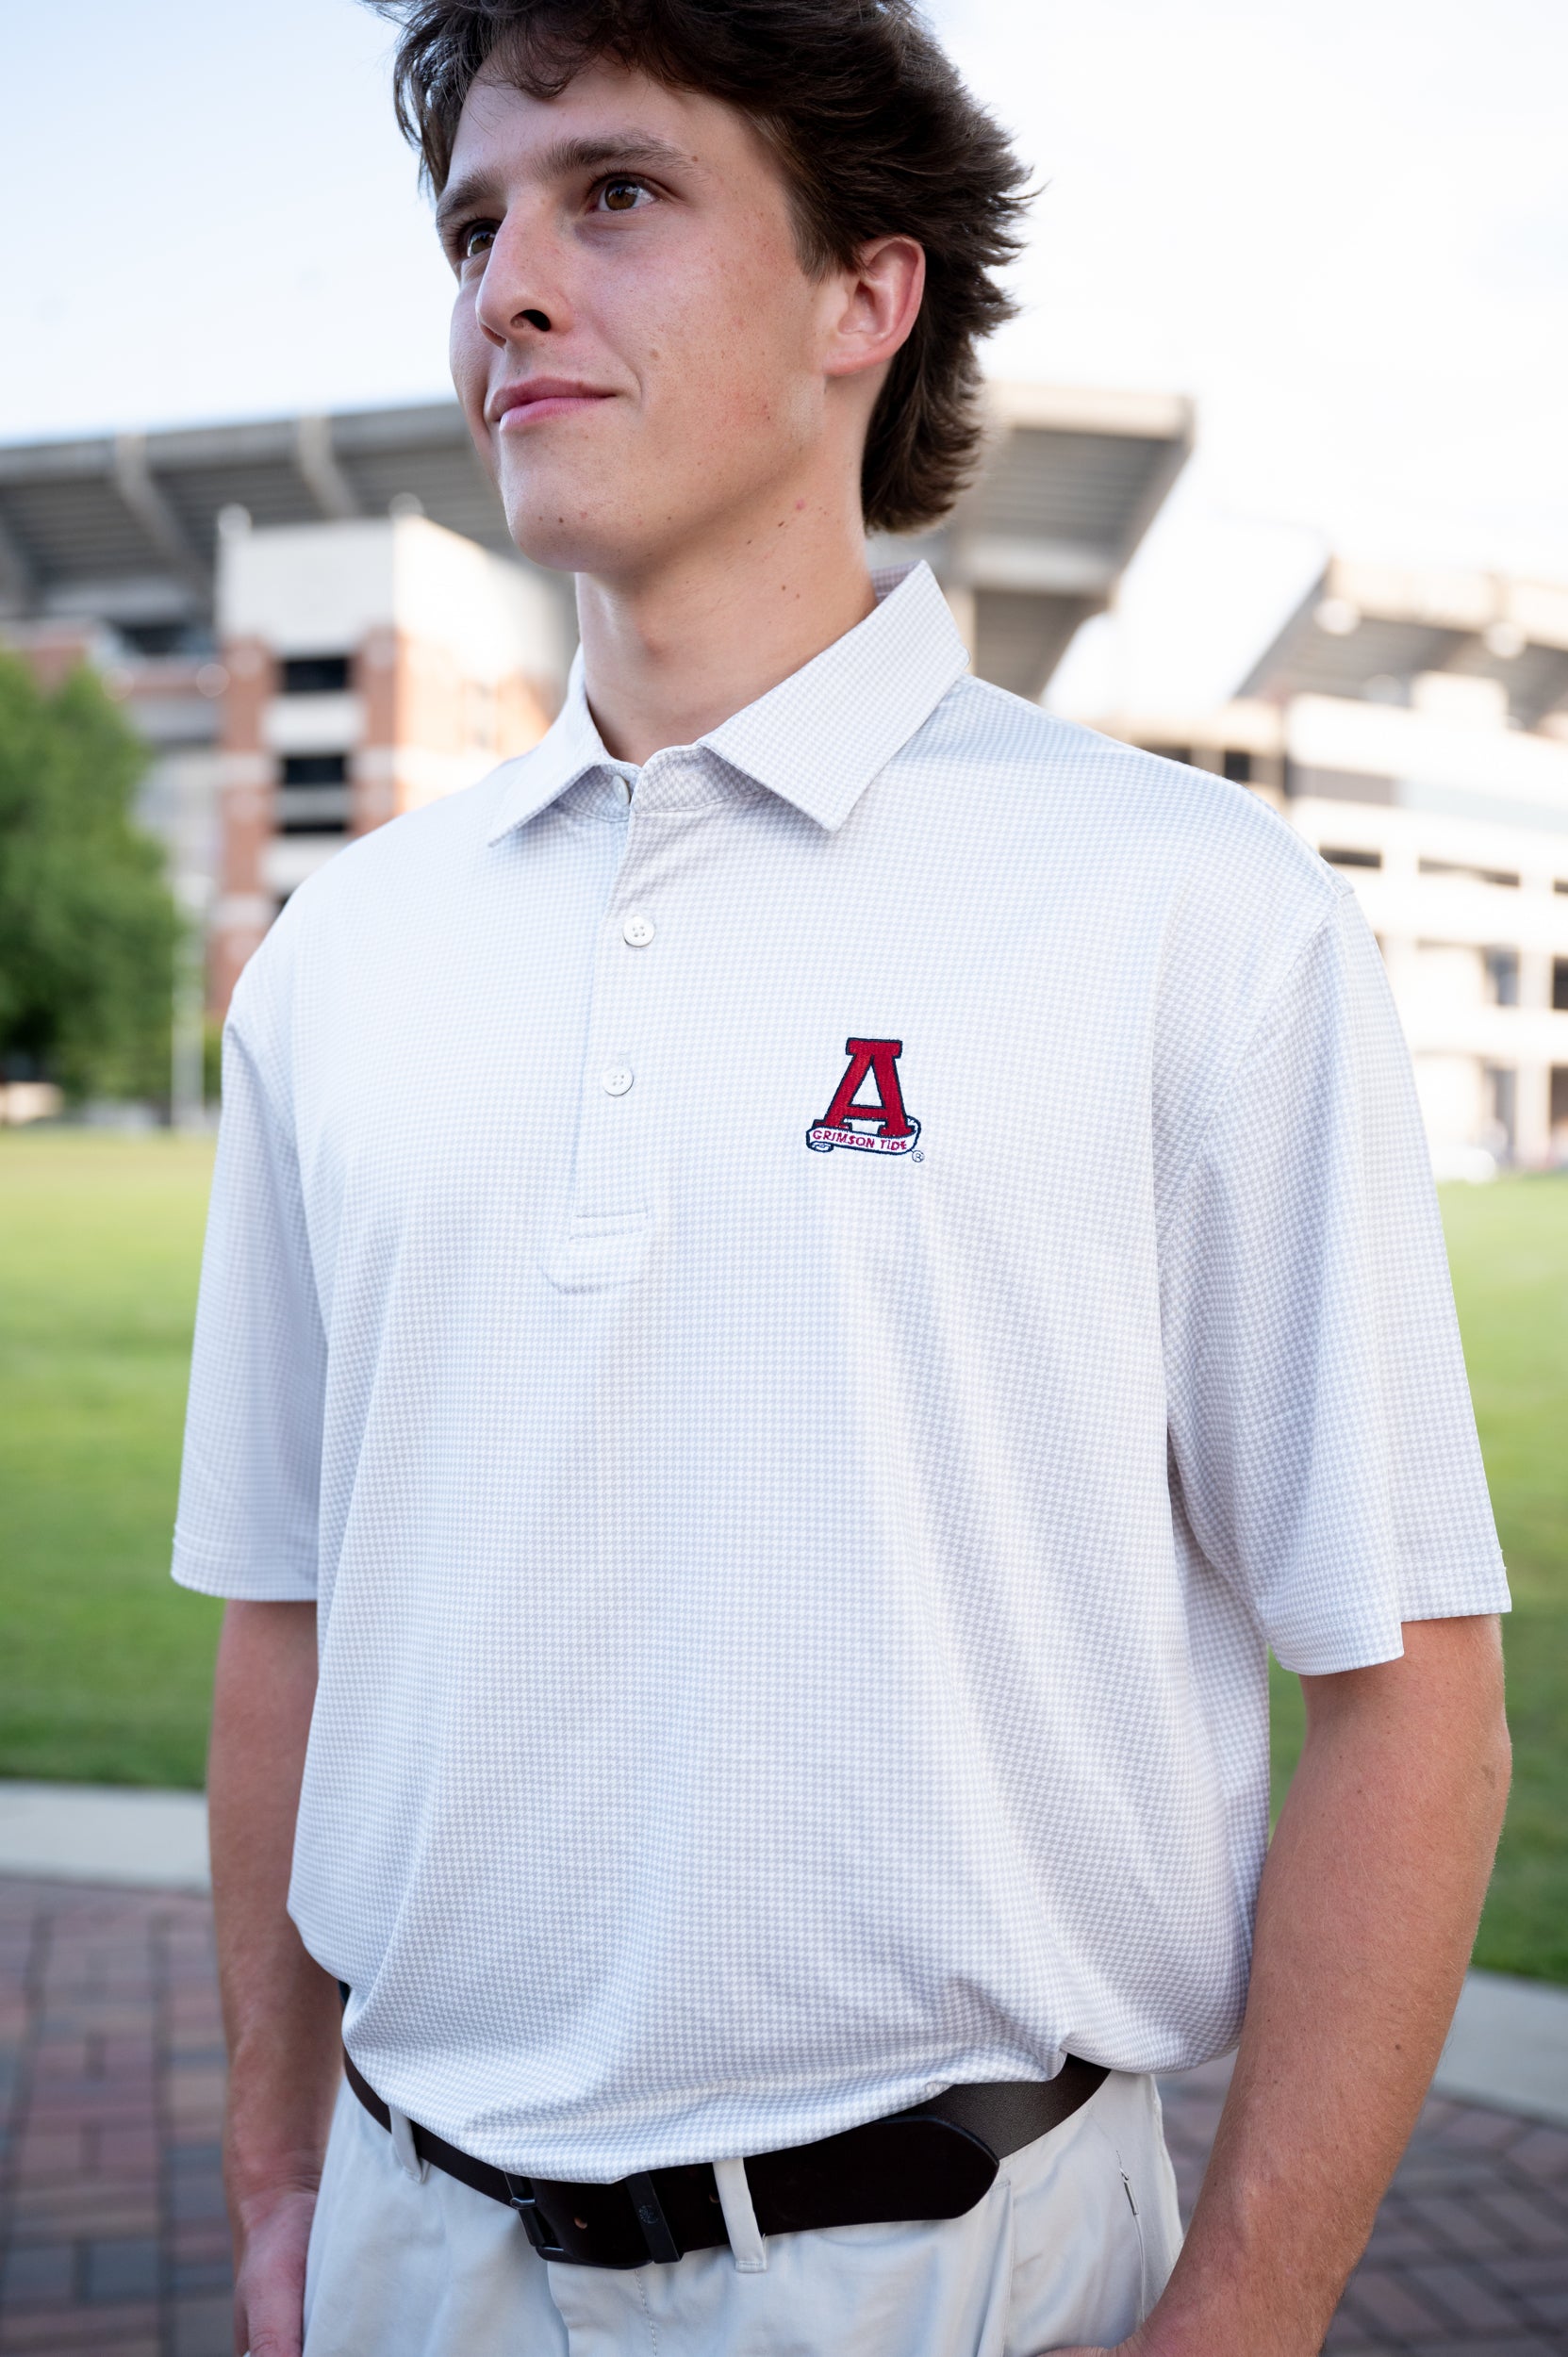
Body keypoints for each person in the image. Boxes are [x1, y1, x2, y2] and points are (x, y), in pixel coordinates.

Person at [173, 3, 1513, 2352]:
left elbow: (1409, 1693)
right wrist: (282, 2193)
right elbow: (283, 1616)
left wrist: (1247, 2307)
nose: (506, 286)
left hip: (954, 2271)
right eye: (472, 227)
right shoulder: (341, 960)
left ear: (862, 297)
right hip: (407, 2254)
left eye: (614, 194)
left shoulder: (1187, 911)